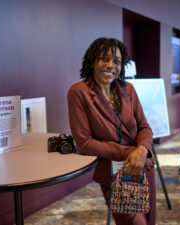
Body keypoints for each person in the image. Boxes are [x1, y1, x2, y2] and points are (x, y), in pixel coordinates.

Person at [67, 37, 156, 225]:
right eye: (103, 59)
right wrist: (131, 152)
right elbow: (84, 142)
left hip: (142, 165)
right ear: (92, 61)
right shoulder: (78, 92)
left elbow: (144, 127)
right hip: (115, 172)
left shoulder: (128, 89)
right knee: (133, 222)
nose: (110, 65)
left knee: (149, 219)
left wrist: (142, 150)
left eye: (116, 61)